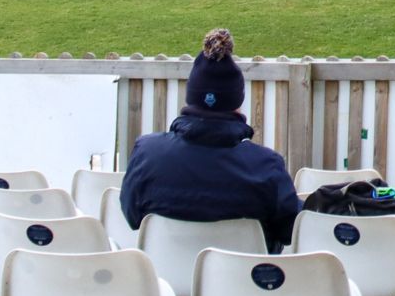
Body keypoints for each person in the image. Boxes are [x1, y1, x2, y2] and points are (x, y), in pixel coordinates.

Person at [117, 29, 302, 251]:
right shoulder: (265, 166)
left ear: (191, 98)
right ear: (237, 104)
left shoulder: (147, 154)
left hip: (165, 281)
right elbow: (289, 230)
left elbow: (131, 215)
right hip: (243, 282)